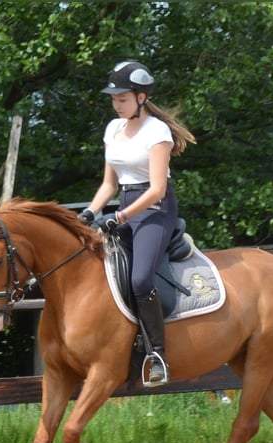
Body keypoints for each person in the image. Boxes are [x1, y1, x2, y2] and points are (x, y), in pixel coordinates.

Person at [78, 61, 196, 387]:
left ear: (141, 97)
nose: (116, 103)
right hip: (125, 204)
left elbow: (157, 188)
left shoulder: (157, 132)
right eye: (113, 98)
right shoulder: (112, 130)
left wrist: (120, 217)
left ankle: (157, 355)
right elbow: (109, 185)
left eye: (123, 98)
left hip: (156, 210)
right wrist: (90, 212)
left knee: (141, 279)